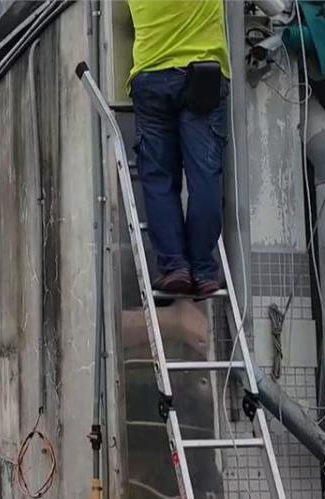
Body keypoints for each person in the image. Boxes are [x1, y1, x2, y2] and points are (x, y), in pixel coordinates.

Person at [128, 0, 231, 296]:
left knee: (159, 178)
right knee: (204, 176)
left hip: (150, 76)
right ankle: (203, 269)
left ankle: (175, 267)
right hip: (203, 73)